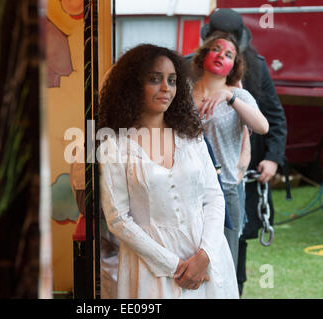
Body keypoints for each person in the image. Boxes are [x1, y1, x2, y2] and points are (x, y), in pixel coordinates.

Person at [98, 44, 239, 298]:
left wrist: (205, 256)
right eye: (155, 79)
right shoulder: (114, 146)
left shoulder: (191, 136)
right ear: (132, 85)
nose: (166, 88)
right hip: (151, 270)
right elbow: (118, 219)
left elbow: (214, 198)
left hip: (207, 261)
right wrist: (175, 266)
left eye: (172, 80)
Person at [200, 9, 288, 295]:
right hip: (200, 178)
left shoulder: (257, 67)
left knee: (236, 242)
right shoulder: (189, 68)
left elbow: (272, 117)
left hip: (241, 174)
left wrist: (273, 158)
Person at [191, 31, 269, 272]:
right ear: (204, 54)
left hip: (226, 188)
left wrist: (229, 97)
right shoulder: (183, 94)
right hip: (191, 189)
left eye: (229, 54)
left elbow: (262, 126)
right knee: (193, 261)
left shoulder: (239, 96)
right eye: (216, 49)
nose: (221, 55)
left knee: (224, 264)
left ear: (233, 65)